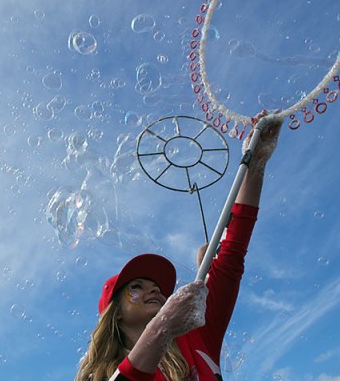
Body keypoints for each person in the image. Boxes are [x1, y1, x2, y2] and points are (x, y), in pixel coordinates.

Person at [75, 113, 283, 381]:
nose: (154, 289)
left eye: (157, 288)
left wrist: (256, 162)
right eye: (135, 286)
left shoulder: (198, 335)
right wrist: (161, 328)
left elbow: (232, 252)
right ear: (114, 316)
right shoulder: (103, 376)